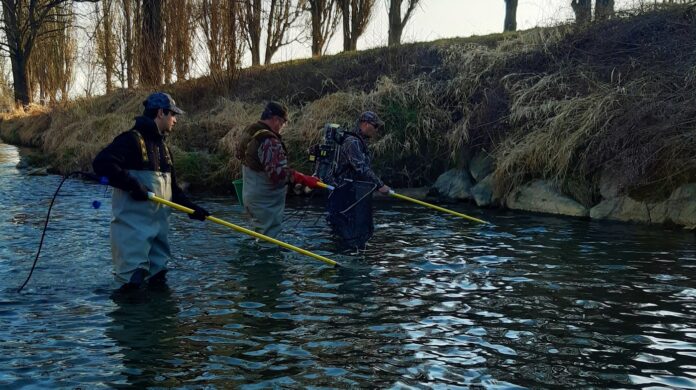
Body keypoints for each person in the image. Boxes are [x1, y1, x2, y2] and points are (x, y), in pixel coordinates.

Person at [93, 92, 210, 291]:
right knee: (132, 288)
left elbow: (173, 190)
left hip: (159, 236)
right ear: (160, 113)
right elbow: (102, 163)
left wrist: (192, 208)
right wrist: (133, 185)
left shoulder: (164, 149)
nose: (175, 120)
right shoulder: (130, 140)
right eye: (173, 115)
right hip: (132, 234)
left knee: (158, 282)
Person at [235, 101, 318, 239]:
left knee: (257, 235)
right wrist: (302, 178)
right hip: (265, 202)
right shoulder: (269, 140)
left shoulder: (249, 131)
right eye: (282, 123)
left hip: (249, 196)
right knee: (268, 240)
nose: (282, 127)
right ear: (275, 120)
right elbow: (278, 176)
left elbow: (240, 155)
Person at [326, 111, 391, 250]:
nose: (376, 130)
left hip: (351, 195)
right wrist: (380, 185)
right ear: (365, 124)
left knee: (349, 237)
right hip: (343, 195)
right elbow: (361, 168)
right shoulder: (352, 142)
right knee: (344, 237)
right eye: (375, 126)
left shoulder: (358, 141)